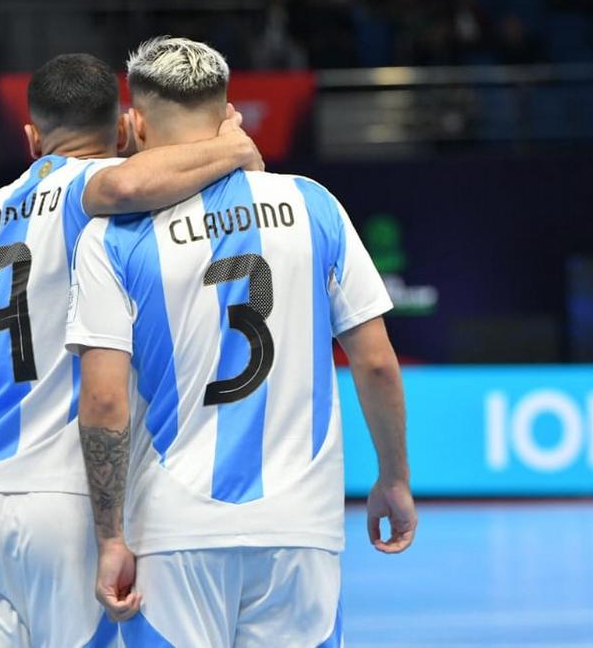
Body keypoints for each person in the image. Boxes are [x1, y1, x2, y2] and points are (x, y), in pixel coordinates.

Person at [67, 37, 417, 645]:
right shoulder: (315, 207)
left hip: (174, 528)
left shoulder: (112, 238)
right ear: (229, 113)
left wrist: (110, 536)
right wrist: (393, 477)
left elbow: (102, 403)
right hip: (299, 523)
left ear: (135, 124)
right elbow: (378, 364)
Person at [0, 52, 263, 647]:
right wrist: (236, 147)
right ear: (121, 131)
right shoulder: (95, 192)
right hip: (66, 499)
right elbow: (132, 181)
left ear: (32, 137)